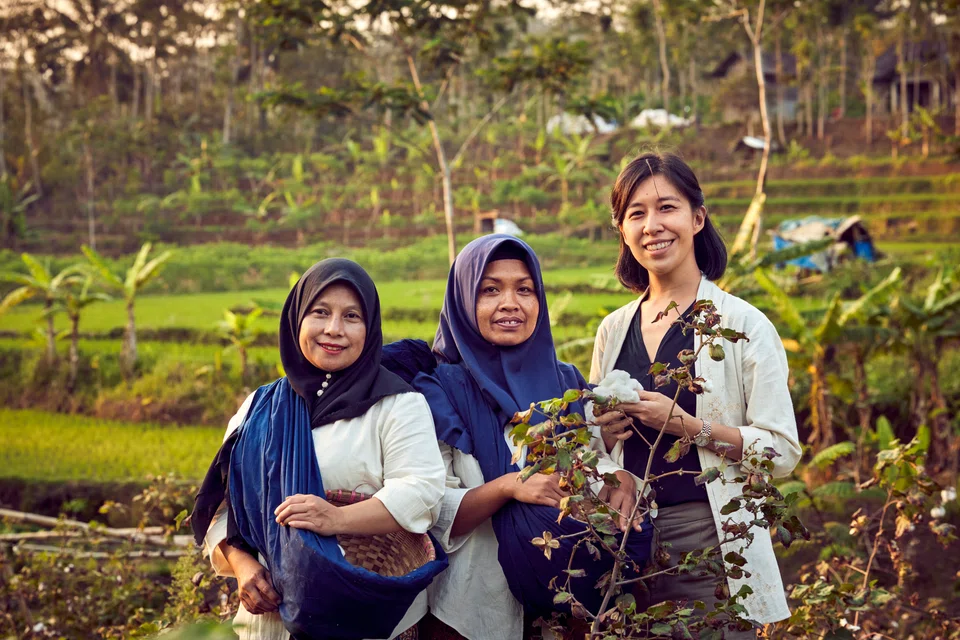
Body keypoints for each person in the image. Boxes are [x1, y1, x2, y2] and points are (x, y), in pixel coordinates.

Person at [590, 153, 802, 634]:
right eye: (636, 213)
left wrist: (690, 427)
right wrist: (606, 450)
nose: (652, 225)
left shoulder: (743, 324)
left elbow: (782, 451)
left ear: (697, 218)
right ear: (621, 229)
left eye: (667, 207)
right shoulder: (613, 329)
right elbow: (594, 446)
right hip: (627, 542)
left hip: (710, 540)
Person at [190, 258, 448, 640]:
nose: (334, 329)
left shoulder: (397, 404)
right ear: (297, 319)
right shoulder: (260, 406)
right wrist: (243, 565)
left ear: (370, 327)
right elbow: (227, 506)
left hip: (364, 615)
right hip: (268, 619)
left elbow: (423, 491)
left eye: (351, 317)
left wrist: (337, 519)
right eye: (320, 313)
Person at [412, 235, 652, 640]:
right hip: (473, 607)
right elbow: (431, 510)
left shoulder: (566, 383)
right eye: (490, 290)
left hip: (570, 600)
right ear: (462, 300)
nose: (510, 303)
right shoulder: (436, 392)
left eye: (524, 289)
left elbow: (591, 462)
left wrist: (619, 477)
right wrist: (509, 487)